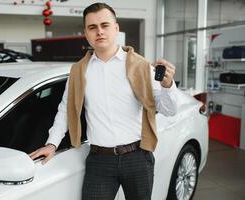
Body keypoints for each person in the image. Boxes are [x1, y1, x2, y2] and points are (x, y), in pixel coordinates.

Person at [29, 2, 177, 200]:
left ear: (116, 28)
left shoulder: (142, 66)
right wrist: (52, 144)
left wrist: (168, 86)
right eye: (92, 27)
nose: (99, 31)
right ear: (86, 33)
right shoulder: (79, 70)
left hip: (137, 157)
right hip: (99, 160)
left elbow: (169, 110)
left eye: (105, 25)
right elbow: (66, 110)